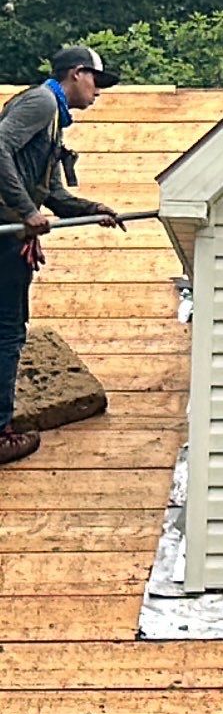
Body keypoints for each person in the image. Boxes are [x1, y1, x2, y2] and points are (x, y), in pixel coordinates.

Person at [0, 46, 123, 466]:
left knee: (8, 329)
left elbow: (53, 194)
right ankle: (0, 433)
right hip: (4, 231)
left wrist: (92, 210)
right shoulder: (41, 101)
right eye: (97, 82)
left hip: (12, 229)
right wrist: (26, 211)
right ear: (76, 74)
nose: (99, 93)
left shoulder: (54, 124)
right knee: (8, 331)